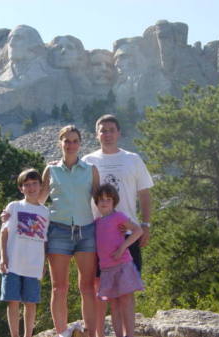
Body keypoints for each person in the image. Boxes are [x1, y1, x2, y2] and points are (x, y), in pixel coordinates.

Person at [82, 114, 154, 337]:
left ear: (119, 132)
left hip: (127, 233)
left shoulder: (133, 159)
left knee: (126, 290)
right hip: (97, 236)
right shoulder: (87, 161)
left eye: (111, 129)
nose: (107, 134)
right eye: (103, 130)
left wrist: (146, 224)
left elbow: (145, 194)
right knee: (99, 288)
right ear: (96, 134)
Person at [40, 125, 100, 337]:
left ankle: (90, 333)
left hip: (86, 230)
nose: (71, 145)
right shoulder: (51, 170)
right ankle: (61, 333)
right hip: (58, 230)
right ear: (60, 143)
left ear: (80, 144)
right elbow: (38, 202)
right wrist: (14, 214)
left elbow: (100, 201)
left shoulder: (91, 170)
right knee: (59, 288)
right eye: (67, 141)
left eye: (75, 141)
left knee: (88, 286)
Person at [0, 168, 50, 337]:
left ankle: (29, 335)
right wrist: (2, 257)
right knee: (13, 301)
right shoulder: (13, 207)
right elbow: (4, 233)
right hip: (13, 262)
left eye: (34, 183)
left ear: (40, 186)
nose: (31, 188)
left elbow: (44, 240)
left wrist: (43, 263)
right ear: (21, 188)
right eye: (26, 185)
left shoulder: (45, 212)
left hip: (33, 263)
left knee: (31, 302)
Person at [93, 184, 143, 337]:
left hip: (123, 265)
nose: (104, 202)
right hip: (106, 270)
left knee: (126, 300)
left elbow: (138, 231)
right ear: (96, 202)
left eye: (108, 199)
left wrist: (122, 247)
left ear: (114, 201)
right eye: (101, 200)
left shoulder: (119, 217)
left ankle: (130, 334)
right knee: (114, 304)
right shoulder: (96, 222)